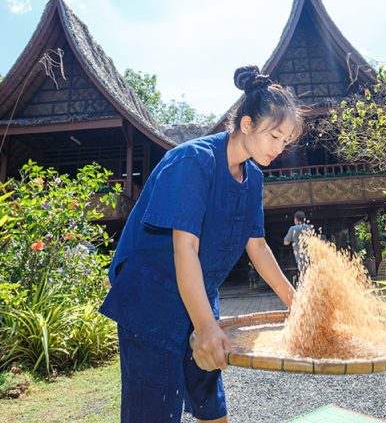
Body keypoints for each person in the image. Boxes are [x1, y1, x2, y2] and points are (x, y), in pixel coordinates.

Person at [99, 65, 302, 423]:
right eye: (274, 137)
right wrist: (205, 328)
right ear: (247, 125)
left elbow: (258, 247)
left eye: (286, 141)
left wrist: (297, 303)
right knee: (154, 409)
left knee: (211, 400)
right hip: (152, 300)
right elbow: (185, 249)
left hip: (199, 295)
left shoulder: (253, 176)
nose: (280, 148)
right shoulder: (192, 161)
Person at [283, 211, 313, 275]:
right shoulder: (309, 228)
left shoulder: (293, 229)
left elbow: (286, 242)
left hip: (300, 256)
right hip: (310, 254)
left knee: (304, 274)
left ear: (296, 219)